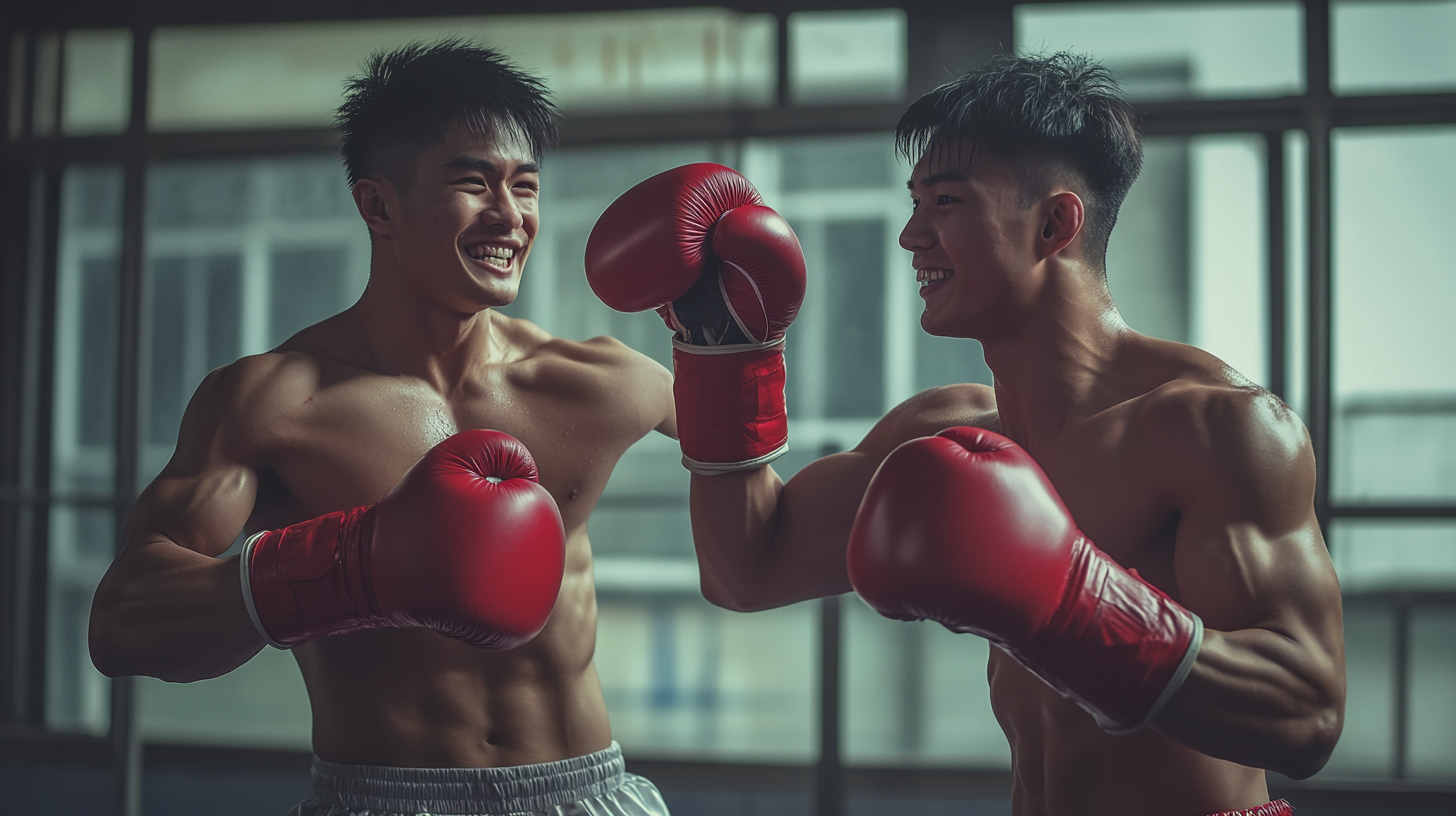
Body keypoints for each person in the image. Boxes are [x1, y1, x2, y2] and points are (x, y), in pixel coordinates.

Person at [586, 53, 1345, 815]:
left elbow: (1307, 716)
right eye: (914, 204)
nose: (911, 236)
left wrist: (1073, 600)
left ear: (1054, 224)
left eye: (945, 203)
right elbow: (747, 570)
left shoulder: (1216, 427)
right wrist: (725, 349)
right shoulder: (943, 431)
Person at [88, 40, 677, 816]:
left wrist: (732, 344)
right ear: (378, 205)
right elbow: (123, 621)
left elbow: (760, 495)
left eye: (524, 186)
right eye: (473, 182)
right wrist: (351, 569)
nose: (510, 215)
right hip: (383, 797)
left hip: (585, 792)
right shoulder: (274, 404)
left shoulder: (599, 383)